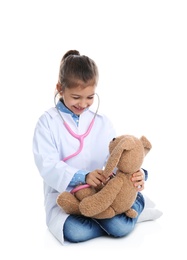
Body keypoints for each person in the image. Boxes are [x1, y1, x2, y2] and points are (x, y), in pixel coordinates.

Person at [32, 50, 162, 245]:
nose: (83, 104)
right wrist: (83, 176)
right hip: (68, 197)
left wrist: (137, 175)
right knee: (75, 232)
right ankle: (108, 222)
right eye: (76, 97)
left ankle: (135, 202)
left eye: (90, 97)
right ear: (60, 88)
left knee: (119, 227)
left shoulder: (102, 123)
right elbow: (47, 165)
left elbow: (117, 160)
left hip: (102, 193)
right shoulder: (47, 123)